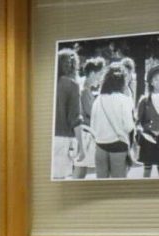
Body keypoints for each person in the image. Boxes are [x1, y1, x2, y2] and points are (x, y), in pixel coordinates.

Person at [90, 64, 136, 179]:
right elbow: (128, 126)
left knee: (101, 183)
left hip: (100, 145)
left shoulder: (98, 100)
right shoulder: (124, 100)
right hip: (118, 145)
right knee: (118, 185)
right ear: (122, 82)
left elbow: (93, 126)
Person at [73, 57, 105, 180]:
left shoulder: (87, 91)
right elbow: (93, 114)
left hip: (86, 135)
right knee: (80, 170)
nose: (100, 78)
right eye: (99, 74)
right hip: (85, 135)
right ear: (92, 73)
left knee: (82, 170)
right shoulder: (85, 92)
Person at [53, 48, 83, 180]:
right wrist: (82, 147)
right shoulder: (72, 85)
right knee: (59, 180)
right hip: (63, 139)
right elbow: (74, 118)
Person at [135, 65, 159, 178]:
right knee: (147, 170)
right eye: (156, 79)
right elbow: (138, 122)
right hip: (149, 139)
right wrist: (142, 132)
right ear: (151, 82)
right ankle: (144, 193)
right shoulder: (144, 100)